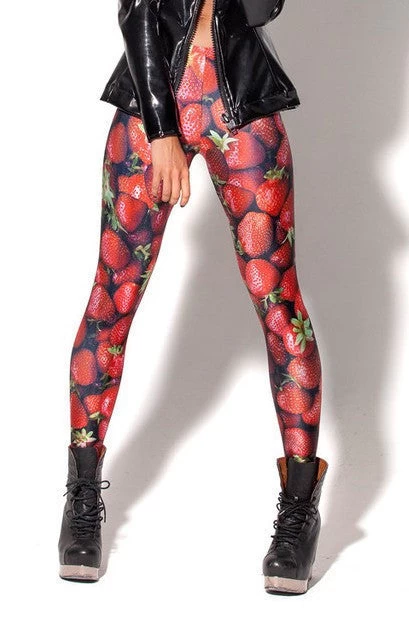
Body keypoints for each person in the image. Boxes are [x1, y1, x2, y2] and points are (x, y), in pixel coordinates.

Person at [58, 0, 329, 594]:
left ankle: (299, 511)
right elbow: (136, 10)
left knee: (281, 308)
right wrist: (162, 129)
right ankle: (81, 495)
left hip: (239, 103)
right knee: (111, 300)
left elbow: (262, 8)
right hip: (151, 105)